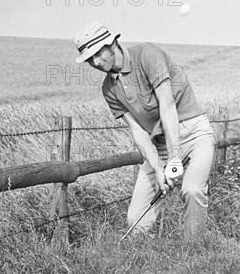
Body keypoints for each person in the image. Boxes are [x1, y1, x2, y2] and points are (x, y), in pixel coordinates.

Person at [72, 21, 215, 238]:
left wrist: (175, 158)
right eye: (90, 59)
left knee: (193, 190)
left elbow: (167, 105)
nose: (96, 62)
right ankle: (148, 259)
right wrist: (158, 169)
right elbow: (138, 131)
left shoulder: (147, 54)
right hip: (160, 145)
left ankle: (194, 253)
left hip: (193, 132)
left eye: (98, 54)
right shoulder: (109, 89)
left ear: (112, 44)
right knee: (136, 220)